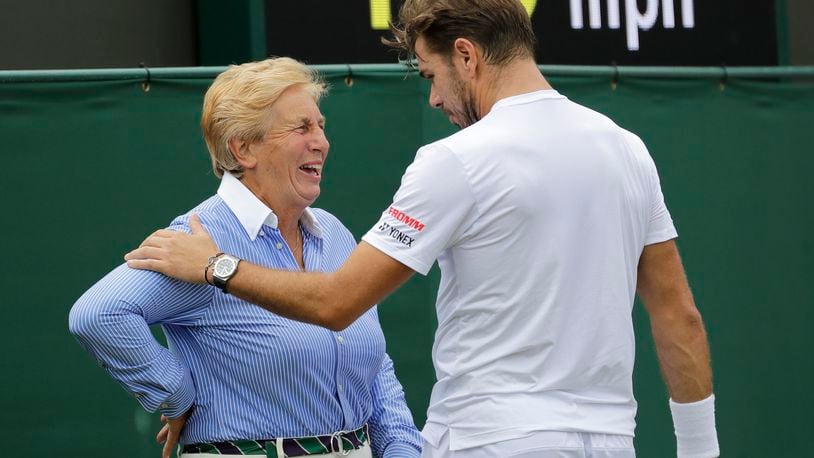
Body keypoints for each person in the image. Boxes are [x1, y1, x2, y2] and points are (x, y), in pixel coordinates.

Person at [124, 1, 720, 457]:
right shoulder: (627, 150)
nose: (433, 98)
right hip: (611, 442)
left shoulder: (456, 160)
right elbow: (679, 318)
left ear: (467, 55)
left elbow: (338, 302)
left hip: (488, 442)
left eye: (431, 73)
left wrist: (214, 265)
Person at [69, 57, 422, 458]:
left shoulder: (333, 232)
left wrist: (401, 448)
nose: (321, 141)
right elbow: (98, 314)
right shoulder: (196, 240)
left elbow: (376, 364)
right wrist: (178, 395)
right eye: (302, 127)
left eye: (321, 125)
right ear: (244, 148)